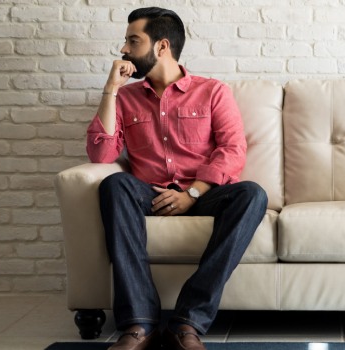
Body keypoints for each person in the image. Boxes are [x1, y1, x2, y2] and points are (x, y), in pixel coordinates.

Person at [86, 7, 268, 350]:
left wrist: (193, 194)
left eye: (132, 40)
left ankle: (188, 320)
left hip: (203, 194)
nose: (123, 49)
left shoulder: (213, 91)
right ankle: (139, 323)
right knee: (114, 183)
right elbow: (101, 156)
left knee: (252, 195)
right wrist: (110, 88)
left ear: (161, 46)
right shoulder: (125, 98)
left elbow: (233, 149)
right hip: (149, 194)